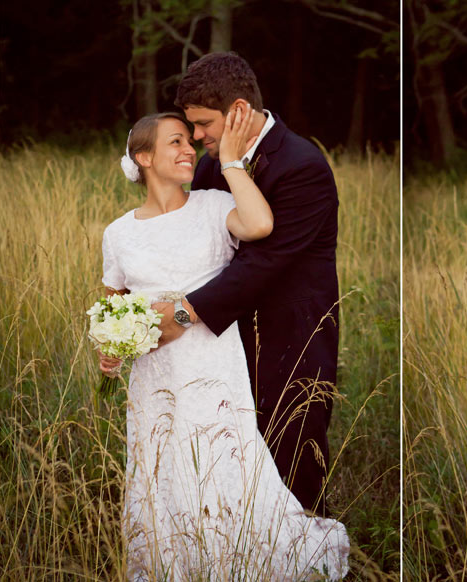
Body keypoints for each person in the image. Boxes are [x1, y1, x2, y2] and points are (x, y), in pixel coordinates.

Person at [97, 110, 349, 580]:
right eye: (175, 142)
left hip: (213, 357)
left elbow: (259, 225)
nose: (189, 148)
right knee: (162, 464)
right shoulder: (118, 233)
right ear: (144, 156)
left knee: (222, 456)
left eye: (190, 140)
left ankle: (236, 558)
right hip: (153, 373)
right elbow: (112, 308)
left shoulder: (214, 204)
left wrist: (231, 161)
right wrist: (110, 348)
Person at [151, 52, 340, 515]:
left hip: (292, 338)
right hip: (226, 339)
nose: (197, 137)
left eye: (203, 124)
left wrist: (182, 314)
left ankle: (306, 556)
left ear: (238, 111)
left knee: (291, 450)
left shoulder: (302, 165)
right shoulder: (213, 167)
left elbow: (265, 262)